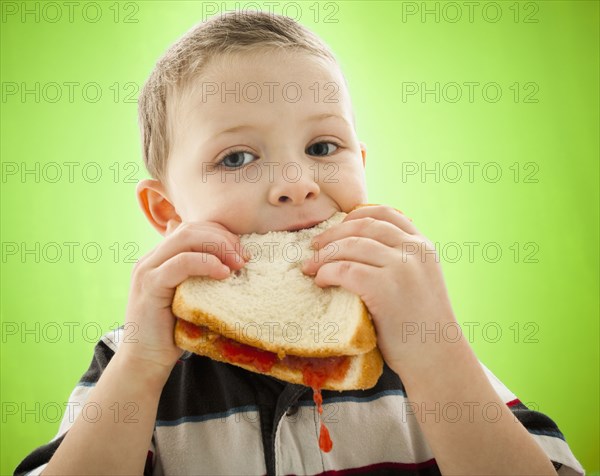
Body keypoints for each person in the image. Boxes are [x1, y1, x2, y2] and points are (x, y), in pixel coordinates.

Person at [15, 10, 585, 476]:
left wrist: (436, 353)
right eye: (237, 157)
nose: (296, 183)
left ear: (361, 166)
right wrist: (141, 363)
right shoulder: (131, 359)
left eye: (322, 147)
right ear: (167, 212)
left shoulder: (416, 340)